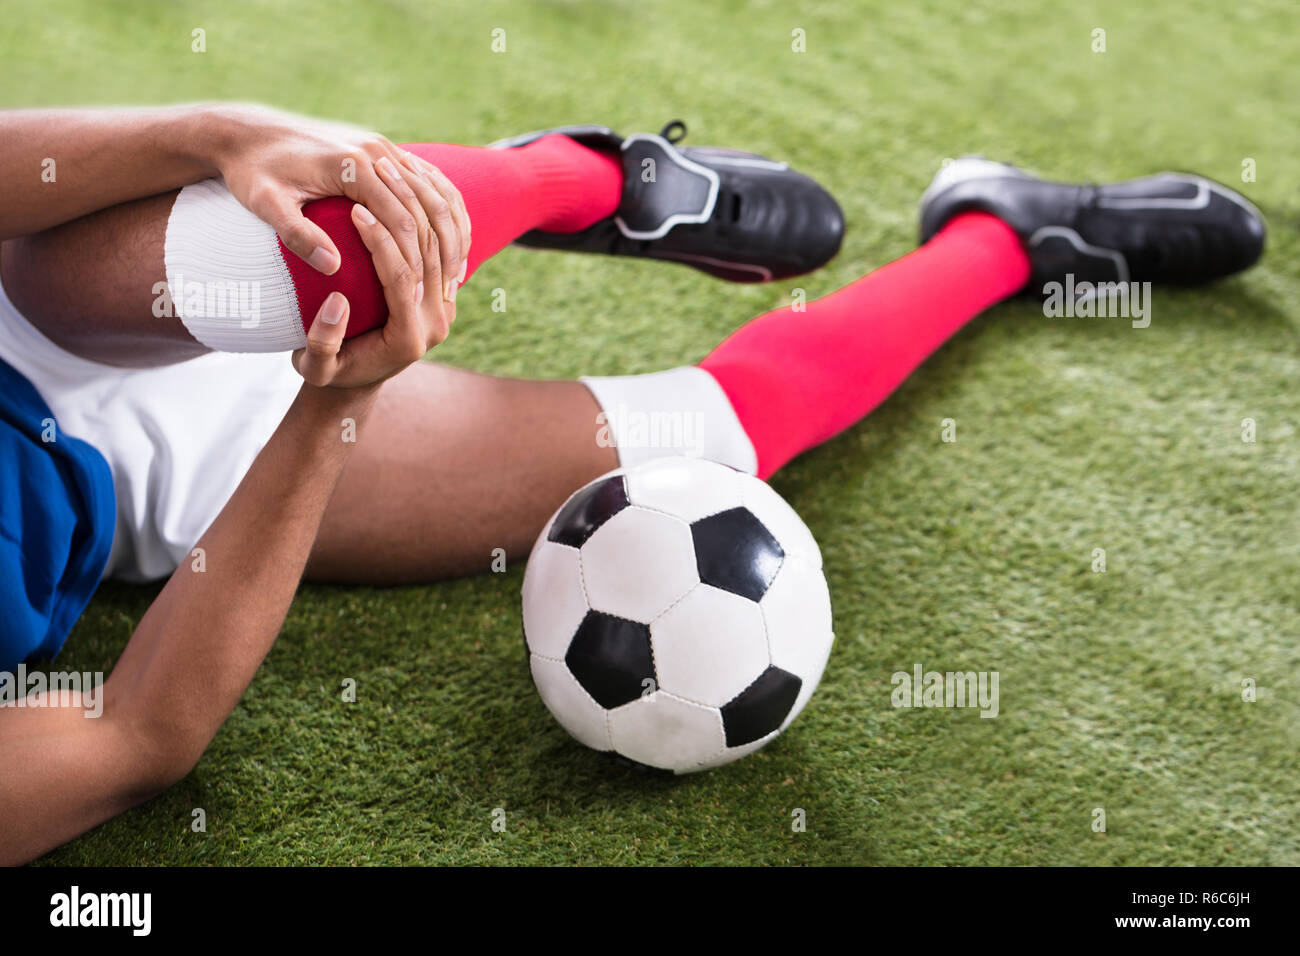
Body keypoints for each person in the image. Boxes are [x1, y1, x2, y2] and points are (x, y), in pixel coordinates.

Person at [0, 104, 1265, 864]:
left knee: (326, 258)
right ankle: (1009, 234)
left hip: (52, 286)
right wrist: (335, 403)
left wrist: (215, 137)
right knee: (706, 440)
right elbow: (132, 737)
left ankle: (575, 176)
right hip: (145, 486)